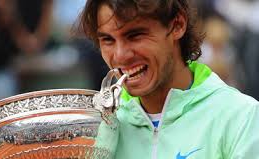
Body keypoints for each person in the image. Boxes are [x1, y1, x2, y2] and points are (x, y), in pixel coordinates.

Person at [76, 0, 259, 159]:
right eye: (108, 40)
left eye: (135, 35)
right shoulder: (101, 127)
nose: (121, 55)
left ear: (177, 25)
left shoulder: (242, 118)